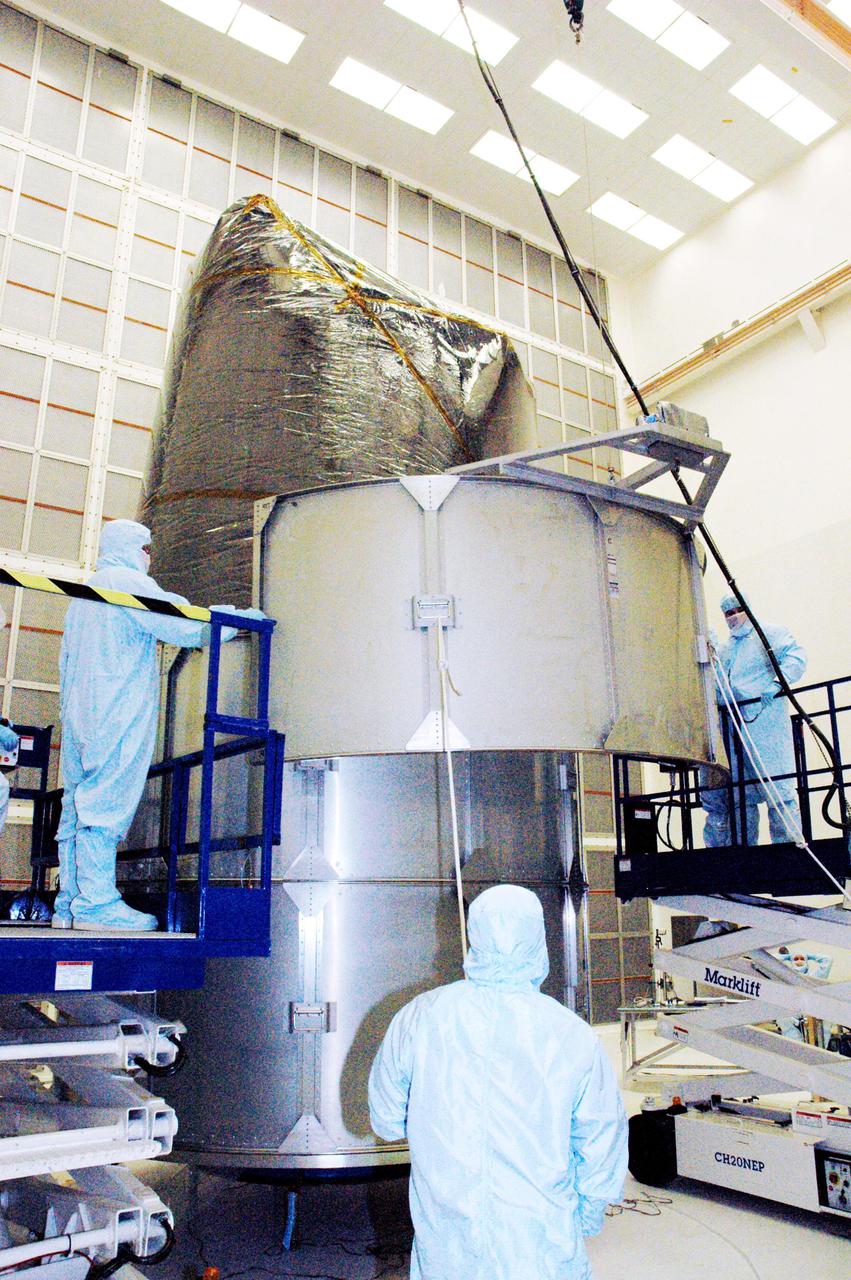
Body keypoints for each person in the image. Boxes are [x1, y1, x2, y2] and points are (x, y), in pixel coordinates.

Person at [368, 884, 627, 1280]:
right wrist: (587, 1214)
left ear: (473, 933)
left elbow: (385, 1120)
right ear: (539, 938)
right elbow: (601, 1136)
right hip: (540, 1247)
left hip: (447, 1243)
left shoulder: (421, 1016)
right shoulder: (569, 1033)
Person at [54, 519, 262, 933]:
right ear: (133, 548)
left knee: (77, 807)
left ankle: (71, 902)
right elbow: (183, 624)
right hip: (116, 711)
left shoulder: (81, 597)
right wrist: (239, 619)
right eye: (146, 549)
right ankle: (96, 905)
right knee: (105, 805)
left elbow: (66, 662)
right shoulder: (127, 583)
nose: (149, 557)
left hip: (79, 715)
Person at [703, 593, 807, 847]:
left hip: (765, 724)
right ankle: (743, 852)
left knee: (778, 791)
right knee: (742, 796)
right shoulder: (727, 650)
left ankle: (789, 851)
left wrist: (775, 684)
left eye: (738, 610)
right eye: (729, 613)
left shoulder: (767, 634)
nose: (734, 616)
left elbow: (796, 658)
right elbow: (720, 687)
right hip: (735, 729)